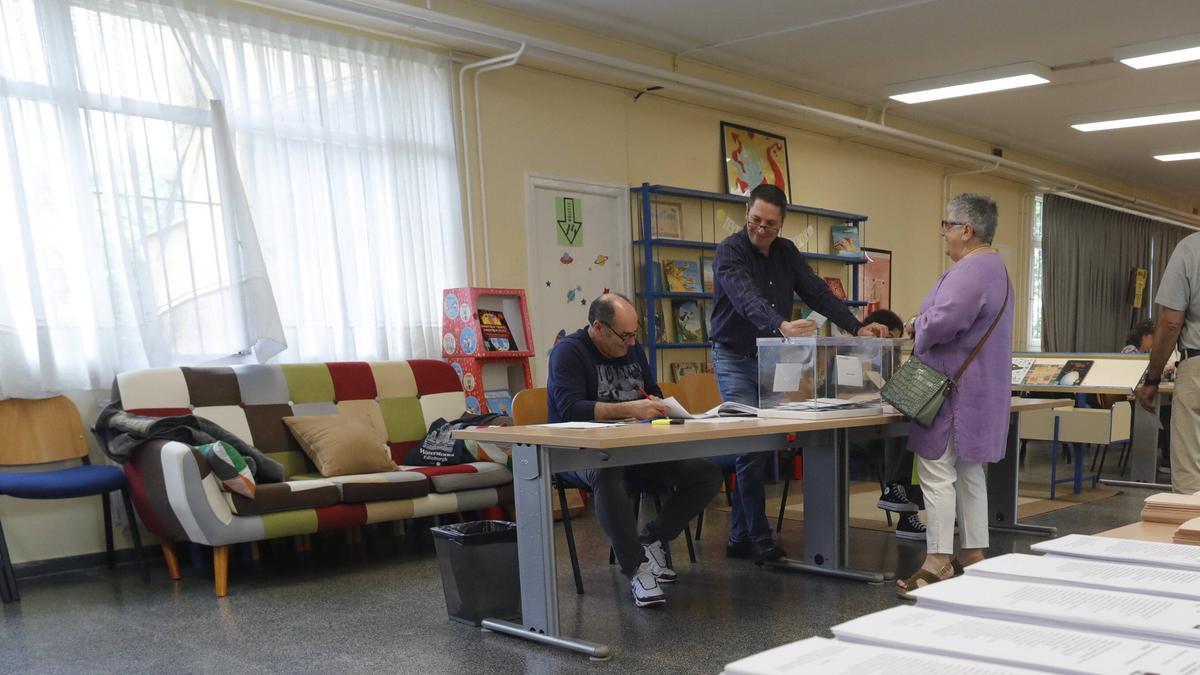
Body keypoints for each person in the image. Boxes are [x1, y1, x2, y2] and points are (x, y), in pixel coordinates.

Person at [709, 183, 890, 565]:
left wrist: (856, 328)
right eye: (756, 220)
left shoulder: (787, 252)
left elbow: (819, 295)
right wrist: (780, 325)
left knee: (765, 445)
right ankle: (758, 538)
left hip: (775, 359)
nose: (761, 229)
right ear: (747, 213)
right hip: (736, 356)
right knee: (749, 446)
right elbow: (744, 299)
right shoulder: (729, 251)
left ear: (781, 224)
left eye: (770, 225)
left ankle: (740, 535)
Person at [547, 293, 723, 608]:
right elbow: (571, 407)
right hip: (579, 452)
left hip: (634, 448)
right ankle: (636, 567)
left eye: (634, 335)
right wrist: (631, 407)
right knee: (607, 472)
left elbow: (650, 391)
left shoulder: (632, 349)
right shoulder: (568, 352)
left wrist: (663, 407)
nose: (630, 343)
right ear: (598, 327)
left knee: (706, 473)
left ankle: (654, 537)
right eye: (624, 336)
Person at [896, 193, 1013, 593]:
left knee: (935, 471)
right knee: (970, 472)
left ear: (967, 230)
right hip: (980, 390)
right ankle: (974, 552)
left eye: (947, 226)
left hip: (951, 395)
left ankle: (938, 559)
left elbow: (943, 323)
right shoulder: (997, 269)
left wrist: (916, 323)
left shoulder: (970, 270)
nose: (943, 234)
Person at [1137, 230, 1200, 494]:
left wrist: (1152, 379)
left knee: (1191, 477)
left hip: (1197, 368)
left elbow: (1171, 322)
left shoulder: (1190, 248)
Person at [861, 309, 927, 540]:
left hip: (881, 428)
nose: (892, 346)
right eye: (888, 338)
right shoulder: (848, 355)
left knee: (916, 437)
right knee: (901, 435)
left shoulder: (891, 363)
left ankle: (904, 506)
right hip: (854, 433)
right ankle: (895, 491)